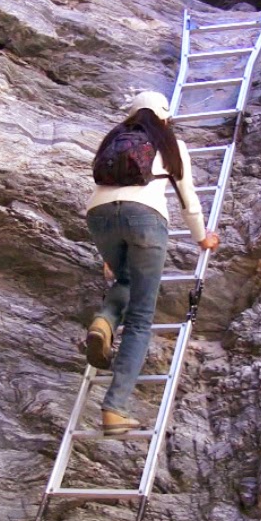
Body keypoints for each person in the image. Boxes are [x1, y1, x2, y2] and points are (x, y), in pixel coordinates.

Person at [85, 91, 219, 435]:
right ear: (164, 118)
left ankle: (104, 322)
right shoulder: (171, 145)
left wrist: (110, 254)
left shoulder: (112, 139)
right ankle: (115, 409)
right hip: (145, 219)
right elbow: (189, 202)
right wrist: (202, 238)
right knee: (142, 319)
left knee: (124, 281)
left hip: (99, 217)